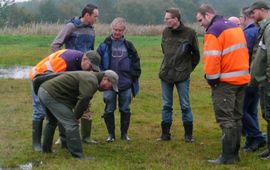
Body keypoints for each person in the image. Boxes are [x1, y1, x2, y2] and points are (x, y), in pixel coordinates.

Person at [196, 4, 250, 164]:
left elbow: (212, 58)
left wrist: (212, 81)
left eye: (200, 20)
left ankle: (227, 157)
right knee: (237, 117)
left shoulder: (214, 31)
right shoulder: (234, 26)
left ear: (207, 15)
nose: (200, 24)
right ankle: (235, 154)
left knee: (225, 119)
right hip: (242, 79)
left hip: (226, 82)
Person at [30, 49, 101, 151]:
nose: (90, 70)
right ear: (85, 59)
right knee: (39, 111)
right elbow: (50, 79)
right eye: (90, 67)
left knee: (63, 110)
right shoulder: (65, 62)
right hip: (39, 78)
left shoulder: (81, 61)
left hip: (52, 83)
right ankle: (36, 144)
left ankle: (64, 142)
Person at [37, 70, 118, 159]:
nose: (109, 89)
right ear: (105, 79)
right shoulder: (92, 80)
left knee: (52, 122)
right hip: (52, 94)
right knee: (72, 124)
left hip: (44, 90)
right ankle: (78, 156)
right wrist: (76, 116)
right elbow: (84, 98)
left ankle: (46, 151)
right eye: (110, 86)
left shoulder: (91, 77)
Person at [51, 3, 99, 145]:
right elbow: (55, 45)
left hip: (86, 73)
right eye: (95, 16)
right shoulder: (71, 26)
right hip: (70, 73)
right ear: (87, 15)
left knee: (85, 102)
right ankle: (63, 136)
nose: (96, 19)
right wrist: (61, 63)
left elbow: (91, 51)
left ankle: (86, 137)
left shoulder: (92, 30)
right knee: (66, 105)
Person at [157, 8, 200, 143]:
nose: (166, 21)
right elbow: (164, 50)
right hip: (166, 74)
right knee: (166, 105)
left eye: (168, 18)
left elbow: (196, 55)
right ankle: (165, 134)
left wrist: (187, 69)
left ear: (176, 19)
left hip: (182, 76)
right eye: (165, 19)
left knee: (185, 105)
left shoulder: (190, 33)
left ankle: (188, 136)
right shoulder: (165, 32)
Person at [97, 17, 141, 142]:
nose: (117, 32)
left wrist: (133, 77)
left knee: (125, 109)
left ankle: (124, 135)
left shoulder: (129, 46)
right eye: (115, 29)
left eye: (119, 30)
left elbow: (136, 63)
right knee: (109, 109)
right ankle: (111, 135)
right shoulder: (104, 45)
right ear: (112, 29)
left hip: (125, 84)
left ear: (124, 31)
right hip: (109, 84)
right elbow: (97, 63)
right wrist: (102, 78)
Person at [239, 6, 266, 152]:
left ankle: (257, 136)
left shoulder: (248, 33)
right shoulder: (259, 30)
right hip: (257, 76)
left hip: (248, 76)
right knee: (251, 110)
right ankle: (251, 142)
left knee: (241, 109)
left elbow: (245, 54)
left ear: (245, 18)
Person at [249, 0, 270, 160]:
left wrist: (268, 76)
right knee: (267, 115)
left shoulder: (269, 29)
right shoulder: (264, 28)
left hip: (267, 81)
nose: (252, 15)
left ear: (262, 10)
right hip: (262, 81)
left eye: (253, 12)